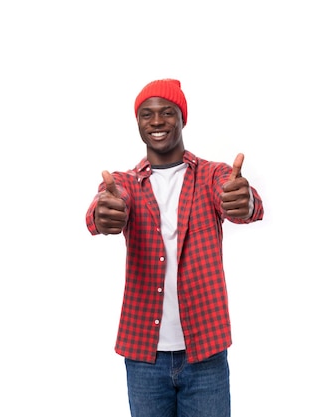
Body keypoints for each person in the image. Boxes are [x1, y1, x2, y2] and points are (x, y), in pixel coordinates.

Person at [85, 79, 264, 417]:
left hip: (205, 354)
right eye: (146, 114)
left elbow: (235, 195)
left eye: (167, 112)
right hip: (144, 357)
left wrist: (245, 200)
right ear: (137, 122)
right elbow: (107, 203)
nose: (156, 122)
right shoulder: (124, 183)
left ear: (182, 118)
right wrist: (103, 213)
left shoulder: (212, 175)